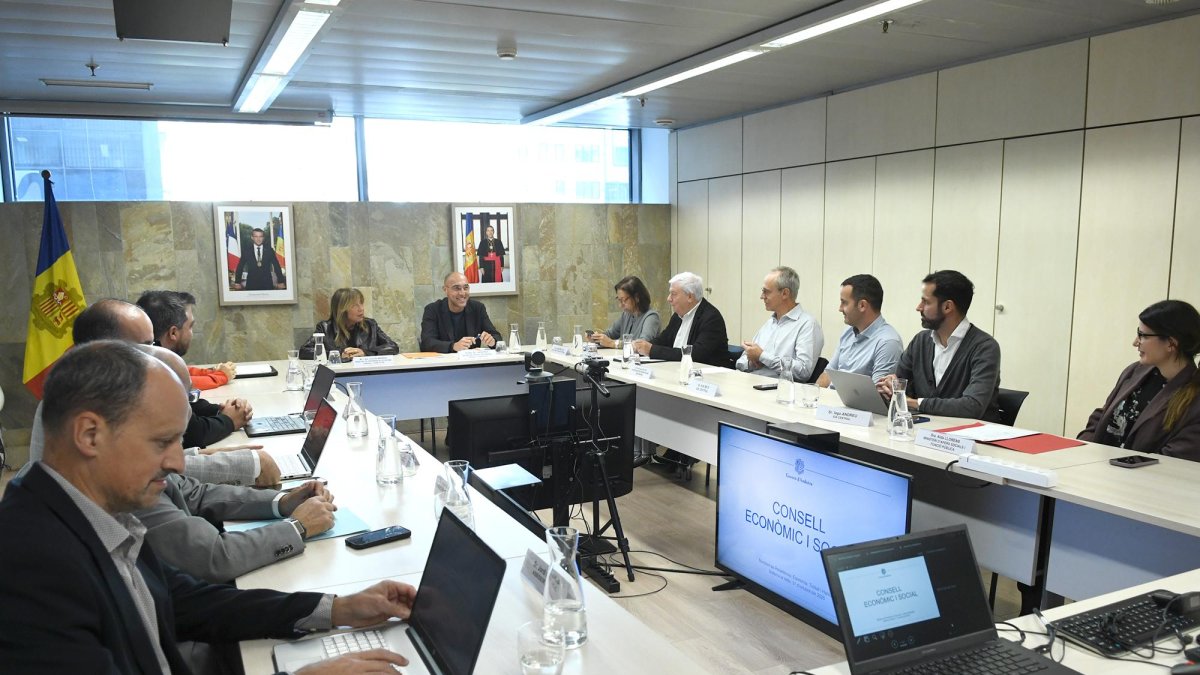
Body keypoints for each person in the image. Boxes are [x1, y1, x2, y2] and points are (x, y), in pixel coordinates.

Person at [0, 340, 415, 673]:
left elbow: (190, 602)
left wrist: (338, 608)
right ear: (90, 435)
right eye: (162, 442)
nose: (179, 463)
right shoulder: (30, 567)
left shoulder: (100, 513)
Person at [20, 299, 277, 489]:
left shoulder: (96, 382)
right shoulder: (93, 399)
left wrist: (210, 455)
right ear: (106, 348)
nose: (156, 355)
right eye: (145, 346)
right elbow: (155, 473)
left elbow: (162, 461)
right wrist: (250, 464)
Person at [1078, 300, 1200, 460]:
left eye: (1143, 336)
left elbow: (1174, 459)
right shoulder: (1135, 370)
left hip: (1143, 482)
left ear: (1171, 343)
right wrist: (1080, 450)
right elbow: (1102, 417)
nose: (1135, 342)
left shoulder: (1195, 397)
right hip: (1096, 471)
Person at [878, 270, 1002, 421]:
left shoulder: (985, 348)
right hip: (926, 432)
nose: (919, 307)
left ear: (947, 307)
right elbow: (900, 388)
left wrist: (915, 403)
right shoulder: (921, 341)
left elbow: (972, 406)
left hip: (968, 439)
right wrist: (891, 386)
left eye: (926, 302)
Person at [736, 266, 824, 381]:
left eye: (766, 292)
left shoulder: (807, 325)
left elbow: (803, 372)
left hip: (779, 391)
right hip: (753, 383)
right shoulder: (770, 323)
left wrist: (762, 357)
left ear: (785, 293)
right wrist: (753, 362)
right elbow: (740, 363)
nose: (762, 296)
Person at [136, 290, 235, 389]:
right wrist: (221, 376)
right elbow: (182, 383)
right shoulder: (150, 371)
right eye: (190, 326)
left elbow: (180, 372)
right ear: (173, 333)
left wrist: (210, 372)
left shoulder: (144, 355)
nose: (192, 333)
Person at [817, 274, 903, 387]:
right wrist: (814, 397)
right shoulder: (848, 332)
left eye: (844, 302)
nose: (840, 308)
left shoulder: (888, 342)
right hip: (830, 401)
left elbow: (876, 396)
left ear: (862, 305)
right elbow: (828, 374)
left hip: (854, 404)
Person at [632, 271, 730, 367]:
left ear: (690, 297)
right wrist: (640, 346)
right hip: (678, 371)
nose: (668, 299)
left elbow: (695, 355)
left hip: (706, 377)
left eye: (673, 294)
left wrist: (651, 350)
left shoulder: (711, 318)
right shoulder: (678, 316)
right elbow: (663, 340)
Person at [299, 288, 399, 360]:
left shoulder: (370, 325)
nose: (361, 308)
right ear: (342, 309)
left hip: (366, 374)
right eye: (355, 305)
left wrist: (365, 352)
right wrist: (338, 354)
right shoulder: (325, 328)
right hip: (339, 376)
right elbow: (304, 351)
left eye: (361, 303)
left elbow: (392, 346)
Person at [420, 271, 501, 352]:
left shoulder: (478, 308)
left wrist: (492, 341)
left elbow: (497, 337)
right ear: (445, 290)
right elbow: (427, 343)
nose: (462, 293)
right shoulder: (432, 310)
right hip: (444, 362)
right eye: (456, 288)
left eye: (466, 288)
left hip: (471, 362)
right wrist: (453, 346)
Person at [589, 275, 662, 348]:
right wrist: (596, 338)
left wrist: (613, 344)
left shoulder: (652, 317)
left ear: (637, 297)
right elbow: (610, 334)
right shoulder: (626, 315)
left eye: (623, 300)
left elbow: (642, 345)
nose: (620, 305)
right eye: (619, 300)